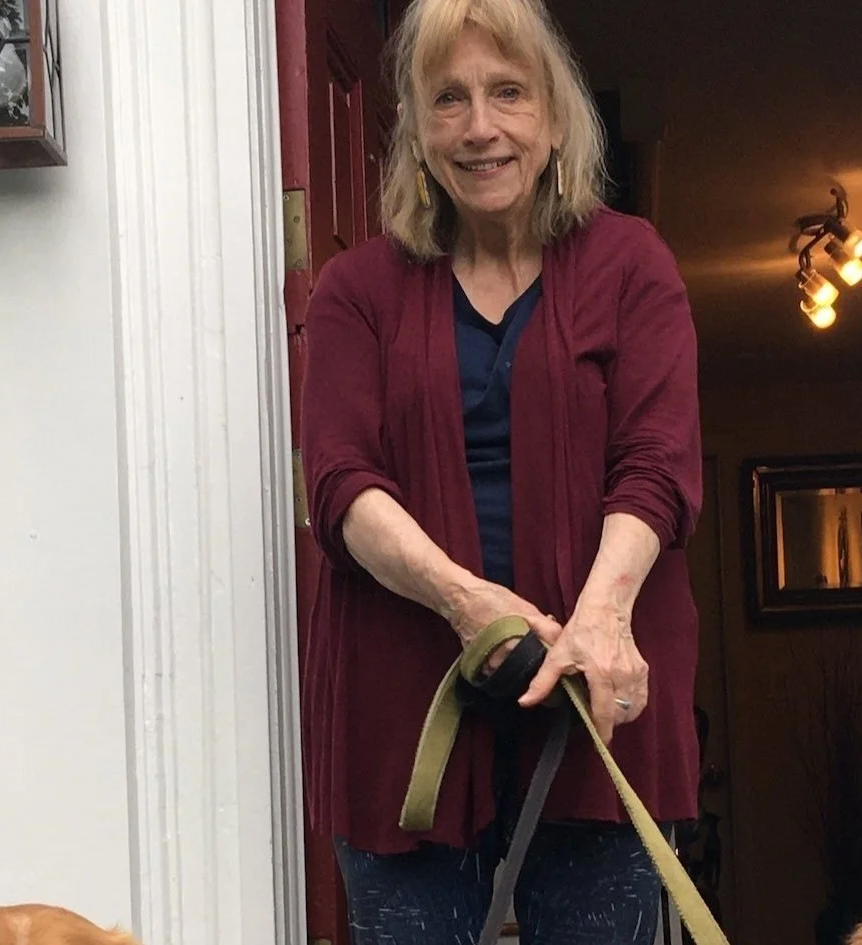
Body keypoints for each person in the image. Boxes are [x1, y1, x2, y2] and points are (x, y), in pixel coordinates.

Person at [299, 0, 703, 940]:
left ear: (554, 119)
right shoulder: (356, 290)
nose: (480, 127)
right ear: (416, 132)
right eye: (450, 99)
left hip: (599, 699)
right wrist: (465, 602)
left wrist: (600, 620)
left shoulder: (632, 265)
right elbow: (340, 483)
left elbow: (658, 463)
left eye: (508, 93)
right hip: (406, 704)